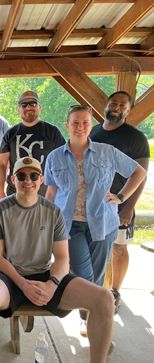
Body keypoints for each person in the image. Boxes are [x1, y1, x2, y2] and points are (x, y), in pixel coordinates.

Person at [0, 156, 116, 363]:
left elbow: (62, 258)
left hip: (44, 274)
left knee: (104, 299)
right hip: (8, 275)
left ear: (41, 180)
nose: (28, 180)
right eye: (21, 176)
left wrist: (52, 284)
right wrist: (23, 285)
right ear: (12, 180)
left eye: (34, 175)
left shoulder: (53, 212)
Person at [44, 105, 146, 340]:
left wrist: (121, 197)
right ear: (67, 126)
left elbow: (138, 172)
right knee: (82, 274)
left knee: (98, 276)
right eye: (75, 123)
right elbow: (51, 194)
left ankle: (92, 323)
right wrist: (47, 224)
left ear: (92, 125)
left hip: (103, 223)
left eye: (85, 123)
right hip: (68, 225)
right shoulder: (55, 156)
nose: (80, 127)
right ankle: (93, 315)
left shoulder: (106, 151)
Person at [89, 91, 150, 313]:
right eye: (113, 102)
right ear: (106, 105)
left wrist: (128, 206)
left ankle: (115, 291)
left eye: (122, 105)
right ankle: (98, 290)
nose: (116, 107)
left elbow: (141, 174)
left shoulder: (135, 138)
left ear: (128, 110)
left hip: (120, 204)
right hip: (95, 205)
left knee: (118, 248)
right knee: (98, 248)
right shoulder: (93, 132)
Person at [0, 90, 65, 199]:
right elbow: (2, 164)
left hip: (46, 196)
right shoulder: (11, 133)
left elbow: (63, 163)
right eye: (24, 105)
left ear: (39, 107)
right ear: (19, 110)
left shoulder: (52, 132)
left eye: (32, 104)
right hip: (15, 196)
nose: (28, 107)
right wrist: (0, 192)